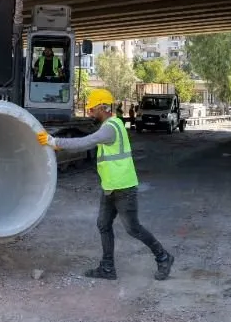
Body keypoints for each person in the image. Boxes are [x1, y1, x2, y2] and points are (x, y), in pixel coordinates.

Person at [39, 88, 174, 281]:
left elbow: (87, 142)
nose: (90, 113)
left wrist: (55, 142)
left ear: (102, 107)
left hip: (123, 187)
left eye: (92, 109)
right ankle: (108, 268)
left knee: (133, 228)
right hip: (111, 186)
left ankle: (163, 257)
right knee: (103, 224)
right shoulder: (111, 125)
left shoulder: (111, 128)